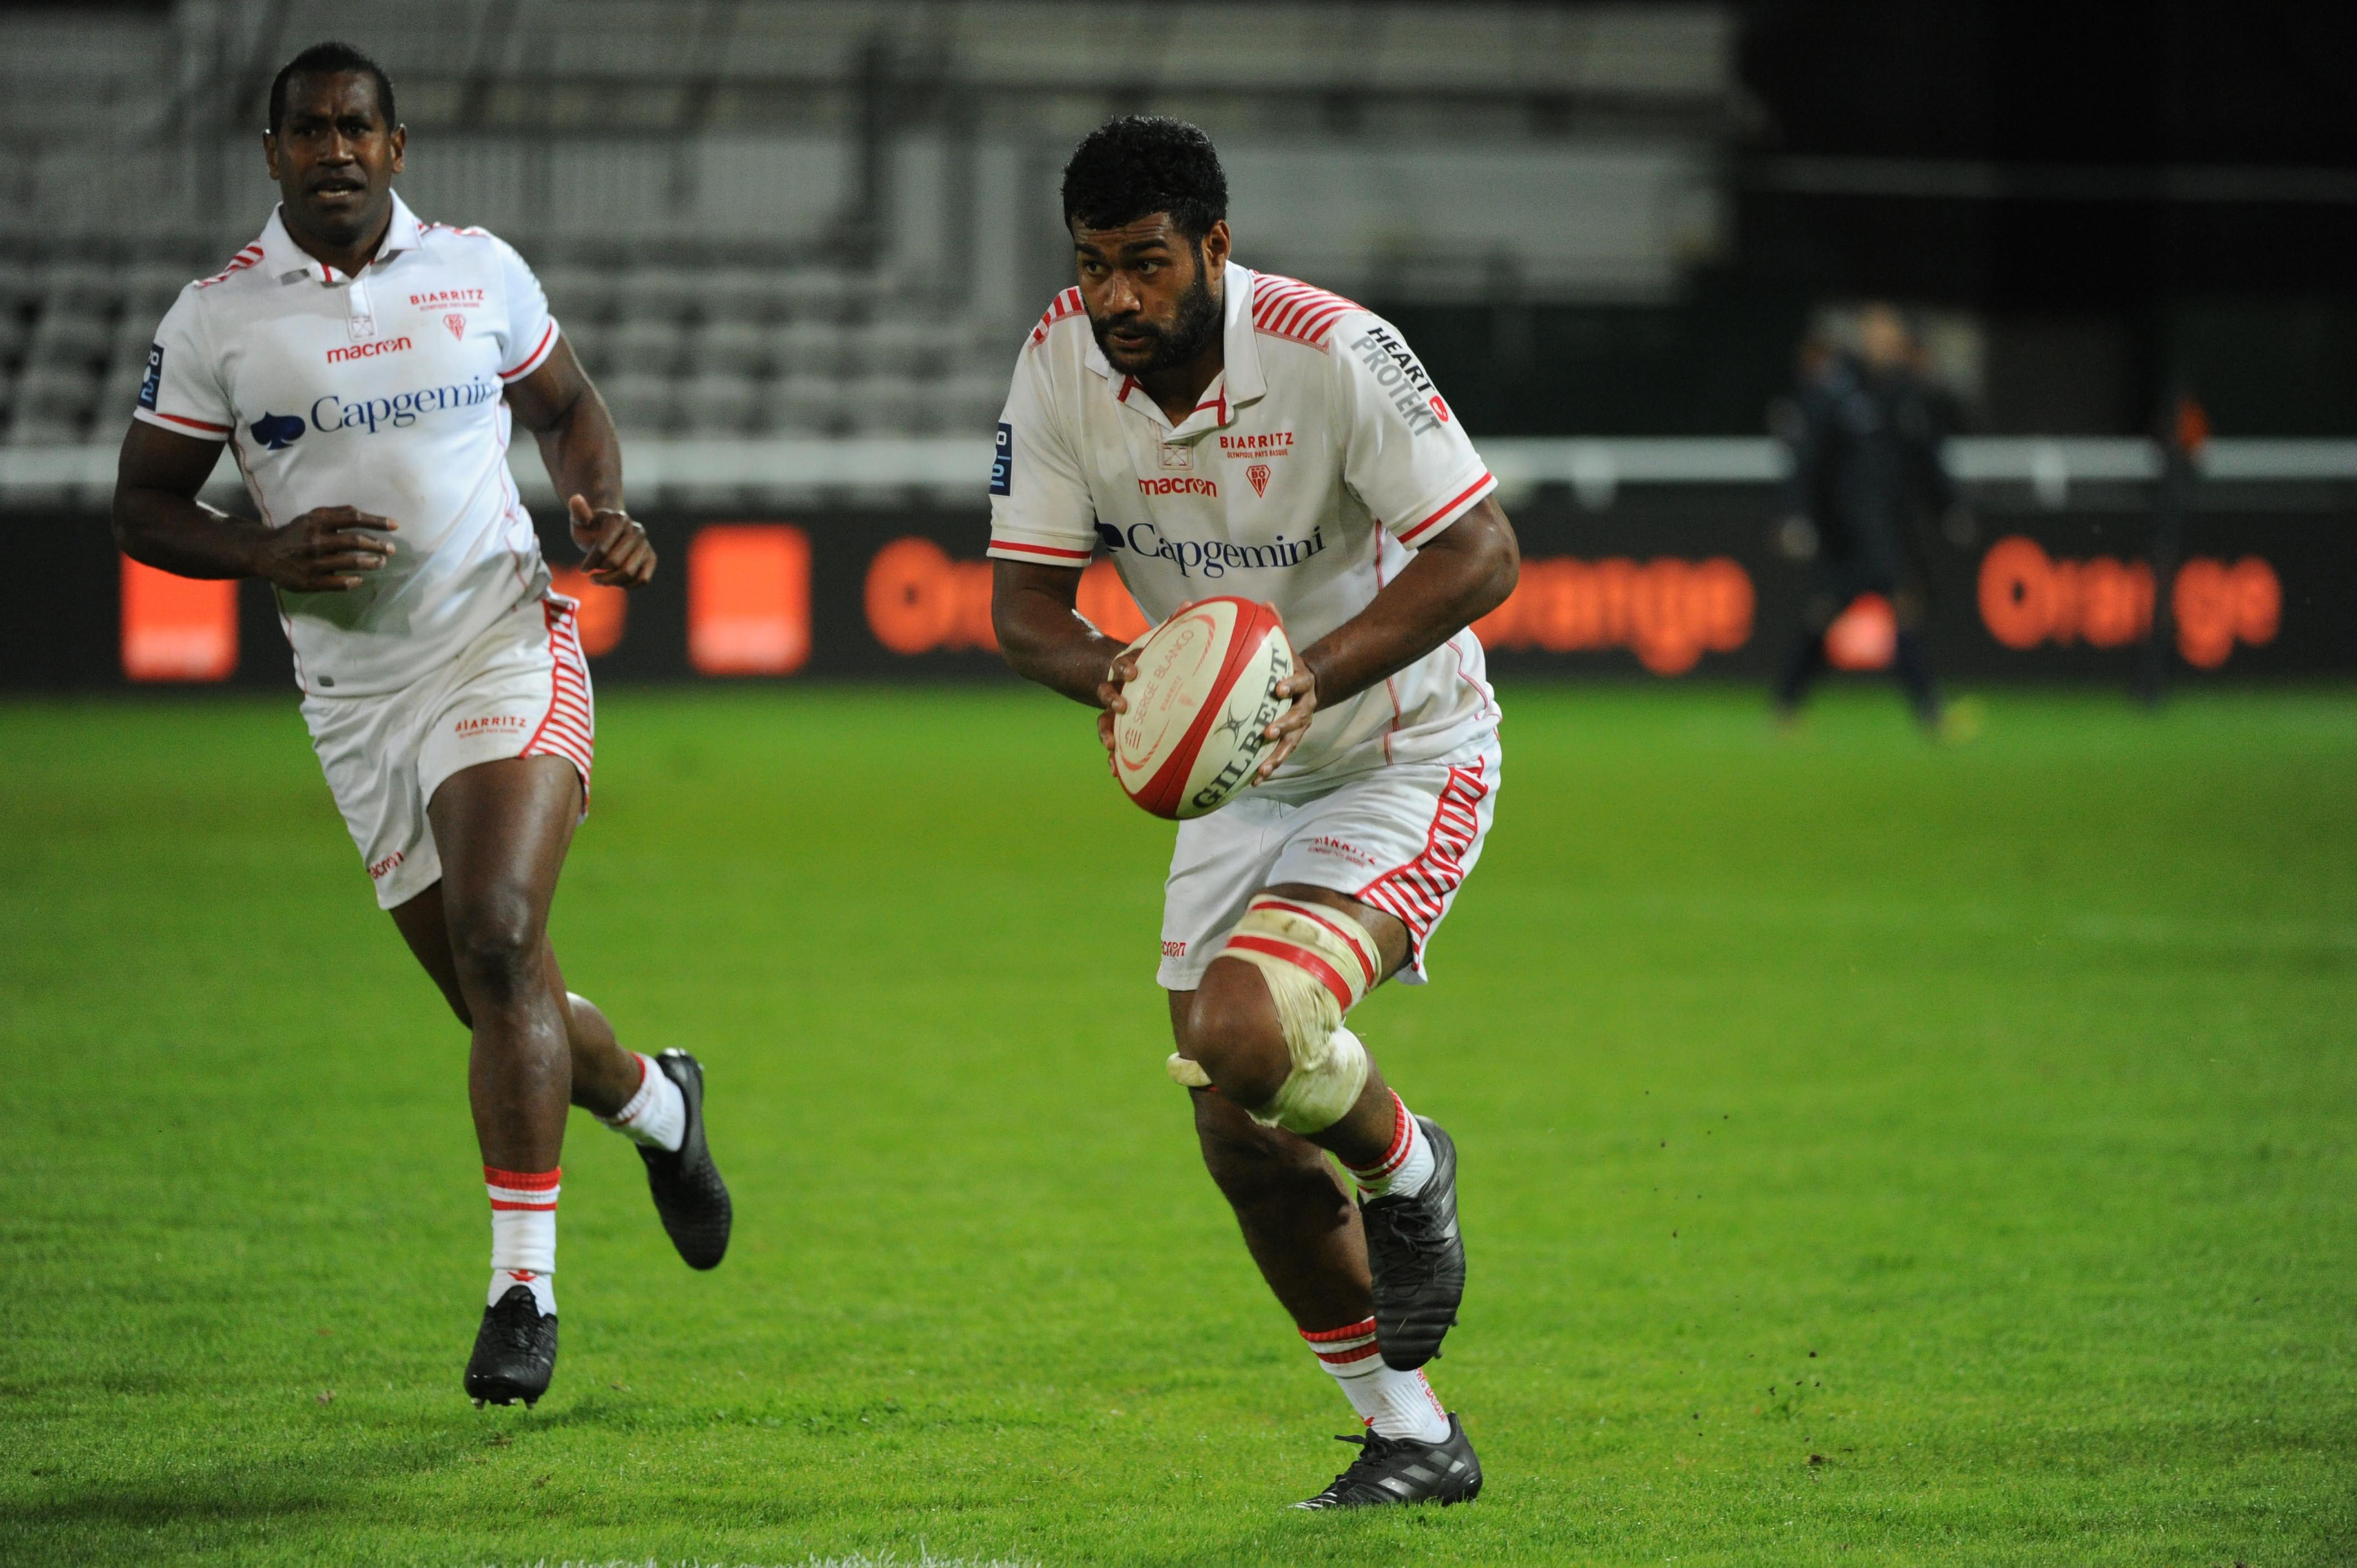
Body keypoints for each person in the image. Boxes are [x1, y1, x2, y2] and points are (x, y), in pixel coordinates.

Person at [109, 42, 730, 1409]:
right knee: (493, 997)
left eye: (356, 128)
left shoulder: (479, 272)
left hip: (499, 639)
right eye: (307, 132)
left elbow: (566, 410)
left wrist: (597, 507)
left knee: (502, 939)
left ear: (398, 146)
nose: (333, 150)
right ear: (271, 156)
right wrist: (264, 554)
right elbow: (143, 505)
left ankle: (523, 1290)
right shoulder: (218, 320)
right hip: (354, 695)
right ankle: (661, 1104)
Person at [988, 117, 1518, 1510]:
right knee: (1239, 1128)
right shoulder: (1060, 364)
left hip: (1403, 750)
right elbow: (1021, 607)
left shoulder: (1332, 349)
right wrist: (1129, 675)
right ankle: (1409, 1431)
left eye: (1146, 265)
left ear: (1214, 246)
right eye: (1094, 266)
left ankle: (1411, 1171)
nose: (1116, 300)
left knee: (1242, 1029)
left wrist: (1309, 674)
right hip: (1242, 772)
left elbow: (1484, 550)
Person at [1771, 302, 1973, 730]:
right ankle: (1787, 703)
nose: (1882, 341)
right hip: (1844, 530)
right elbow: (1809, 461)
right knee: (1826, 612)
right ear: (1863, 337)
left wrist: (1950, 507)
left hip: (1891, 531)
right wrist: (1795, 515)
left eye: (1889, 333)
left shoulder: (1905, 395)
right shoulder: (1838, 391)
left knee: (1903, 607)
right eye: (1875, 332)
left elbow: (1926, 460)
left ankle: (1928, 711)